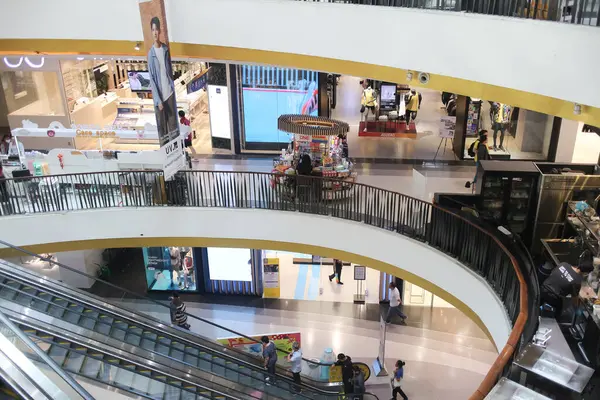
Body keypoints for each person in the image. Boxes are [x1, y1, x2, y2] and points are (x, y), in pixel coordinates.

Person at [147, 16, 178, 146]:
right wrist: (158, 100)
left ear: (159, 31)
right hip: (160, 97)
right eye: (152, 29)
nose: (155, 32)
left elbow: (168, 71)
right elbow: (152, 80)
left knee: (173, 126)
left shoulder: (165, 49)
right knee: (163, 129)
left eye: (156, 29)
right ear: (151, 31)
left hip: (169, 93)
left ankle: (176, 151)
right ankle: (166, 154)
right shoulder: (151, 54)